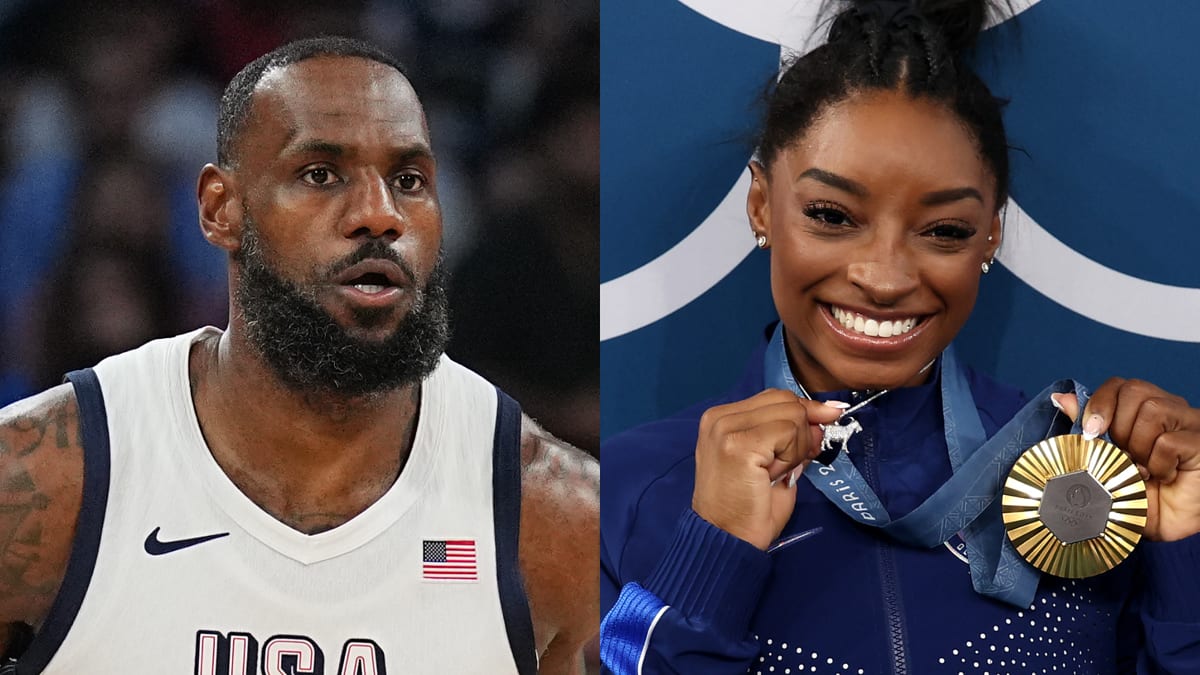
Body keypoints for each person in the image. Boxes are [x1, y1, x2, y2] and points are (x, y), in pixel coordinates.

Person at [599, 2, 1200, 673]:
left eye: (944, 229)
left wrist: (1184, 552)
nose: (884, 278)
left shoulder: (1096, 480)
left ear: (992, 234)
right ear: (763, 204)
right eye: (832, 215)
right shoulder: (628, 488)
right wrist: (710, 557)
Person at [0, 36, 599, 674]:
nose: (379, 214)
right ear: (220, 208)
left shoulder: (555, 519)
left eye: (408, 180)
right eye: (320, 173)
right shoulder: (44, 479)